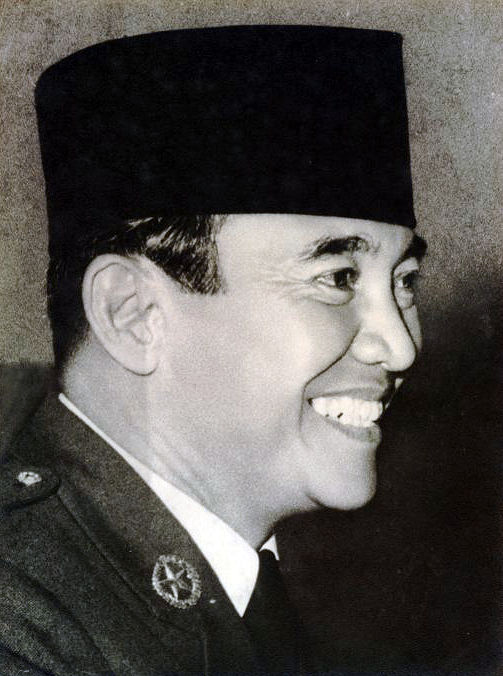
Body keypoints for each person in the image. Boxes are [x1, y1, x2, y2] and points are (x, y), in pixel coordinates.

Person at [0, 25, 426, 675]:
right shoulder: (21, 630)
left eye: (405, 282)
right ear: (133, 315)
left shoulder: (233, 590)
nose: (399, 347)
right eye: (337, 278)